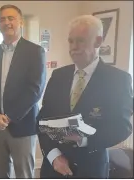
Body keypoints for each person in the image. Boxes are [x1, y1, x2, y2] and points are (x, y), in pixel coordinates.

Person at [37, 15, 133, 178]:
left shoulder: (118, 79)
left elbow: (122, 127)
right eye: (71, 41)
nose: (74, 47)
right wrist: (54, 156)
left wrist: (84, 139)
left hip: (91, 168)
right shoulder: (58, 75)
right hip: (53, 167)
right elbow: (42, 120)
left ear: (98, 41)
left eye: (80, 40)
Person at [0, 4, 46, 178]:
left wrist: (8, 116)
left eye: (11, 18)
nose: (6, 22)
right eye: (2, 19)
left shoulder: (35, 51)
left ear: (21, 22)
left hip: (21, 126)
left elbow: (35, 89)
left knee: (24, 174)